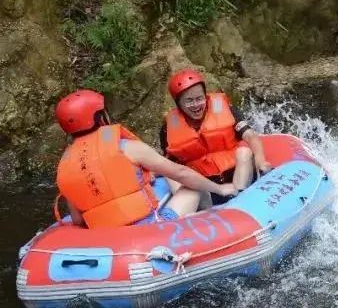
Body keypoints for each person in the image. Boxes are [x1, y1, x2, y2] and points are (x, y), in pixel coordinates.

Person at [54, 90, 236, 229]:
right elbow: (181, 172)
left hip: (107, 238)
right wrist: (219, 188)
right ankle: (211, 224)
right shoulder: (126, 147)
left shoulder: (66, 164)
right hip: (150, 228)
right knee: (192, 187)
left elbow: (77, 219)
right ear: (100, 117)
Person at [160, 69, 270, 204]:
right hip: (207, 188)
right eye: (189, 101)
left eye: (199, 98)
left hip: (238, 175)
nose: (196, 105)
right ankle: (193, 215)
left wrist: (261, 161)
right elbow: (169, 165)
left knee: (244, 152)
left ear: (205, 96)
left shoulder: (224, 108)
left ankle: (239, 200)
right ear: (178, 104)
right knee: (170, 174)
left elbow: (250, 136)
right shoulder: (168, 128)